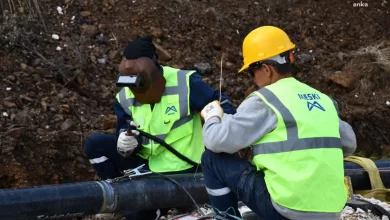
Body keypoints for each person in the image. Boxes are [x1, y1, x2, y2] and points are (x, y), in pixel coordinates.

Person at [199, 26, 357, 220]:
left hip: (287, 210)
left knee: (212, 159)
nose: (253, 79)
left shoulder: (265, 100)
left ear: (266, 68)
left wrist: (212, 116)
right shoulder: (322, 100)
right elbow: (349, 144)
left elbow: (215, 140)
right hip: (331, 211)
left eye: (251, 71)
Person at [84, 36, 236, 220]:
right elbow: (125, 130)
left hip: (186, 169)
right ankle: (121, 196)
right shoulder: (124, 97)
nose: (136, 91)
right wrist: (126, 142)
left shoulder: (185, 83)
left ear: (154, 69)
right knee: (95, 144)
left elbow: (223, 104)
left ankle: (158, 207)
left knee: (139, 215)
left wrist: (221, 134)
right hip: (148, 165)